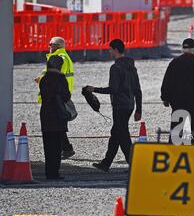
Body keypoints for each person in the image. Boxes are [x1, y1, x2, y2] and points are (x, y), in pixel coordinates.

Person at [85, 39, 142, 172]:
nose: (109, 52)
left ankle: (134, 163)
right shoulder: (132, 66)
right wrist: (138, 109)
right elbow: (138, 90)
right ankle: (106, 163)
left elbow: (113, 89)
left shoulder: (115, 67)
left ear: (116, 50)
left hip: (119, 106)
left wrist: (94, 89)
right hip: (129, 105)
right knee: (117, 133)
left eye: (110, 49)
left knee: (122, 135)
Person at [160, 38, 194, 145]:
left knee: (176, 132)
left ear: (182, 49)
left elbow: (166, 82)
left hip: (178, 102)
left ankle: (172, 153)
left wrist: (165, 98)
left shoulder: (174, 63)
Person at [35, 37, 76, 160]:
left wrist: (42, 81)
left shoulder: (59, 59)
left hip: (56, 96)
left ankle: (63, 150)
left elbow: (55, 77)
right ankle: (67, 148)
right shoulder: (62, 57)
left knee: (56, 125)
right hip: (60, 95)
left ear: (57, 46)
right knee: (59, 124)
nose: (49, 47)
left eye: (50, 44)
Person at [39, 55, 71, 180]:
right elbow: (66, 96)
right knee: (57, 147)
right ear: (59, 66)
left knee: (47, 145)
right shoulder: (61, 78)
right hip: (58, 115)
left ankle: (48, 172)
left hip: (46, 114)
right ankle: (55, 173)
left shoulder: (44, 79)